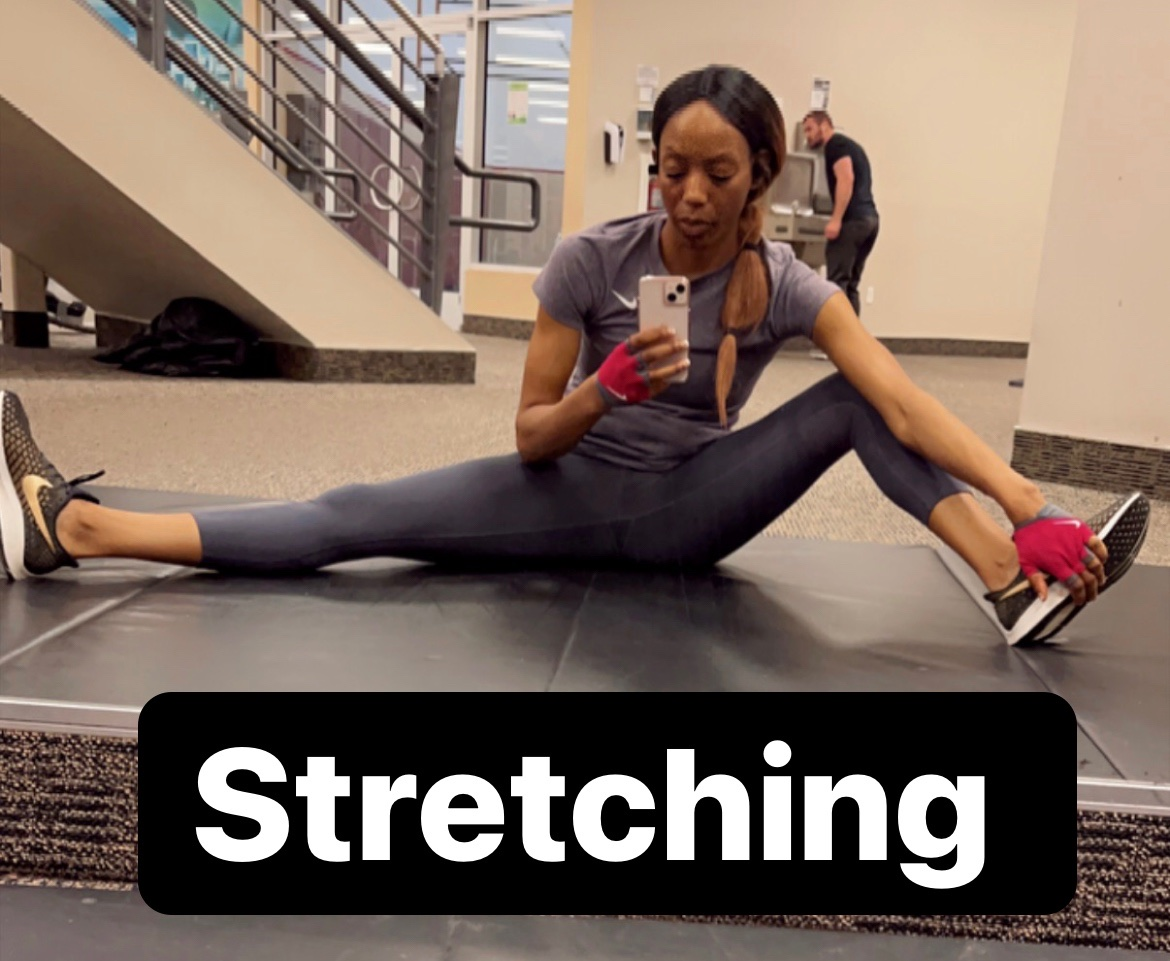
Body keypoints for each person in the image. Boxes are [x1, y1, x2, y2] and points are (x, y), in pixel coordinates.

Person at [0, 66, 1150, 648]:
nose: (689, 197)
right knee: (359, 514)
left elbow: (899, 398)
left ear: (761, 176)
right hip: (574, 488)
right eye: (670, 168)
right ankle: (78, 529)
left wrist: (1028, 495)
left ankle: (1011, 574)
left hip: (688, 506)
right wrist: (607, 390)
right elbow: (530, 434)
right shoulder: (589, 262)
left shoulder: (787, 281)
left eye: (717, 174)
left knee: (852, 398)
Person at [802, 110, 880, 318]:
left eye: (810, 129)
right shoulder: (852, 146)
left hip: (853, 221)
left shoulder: (836, 145)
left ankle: (838, 344)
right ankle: (853, 345)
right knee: (851, 284)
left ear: (824, 125)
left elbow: (846, 179)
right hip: (870, 220)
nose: (807, 136)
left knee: (836, 285)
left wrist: (836, 220)